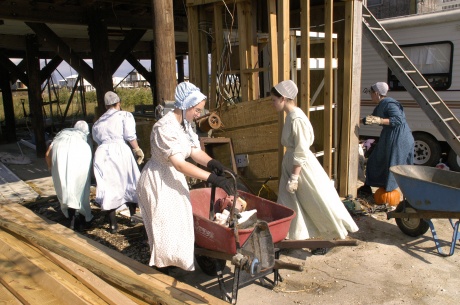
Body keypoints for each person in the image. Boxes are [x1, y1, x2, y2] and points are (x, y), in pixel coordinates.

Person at [137, 82, 235, 272]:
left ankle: (174, 262)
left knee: (180, 221)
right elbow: (180, 163)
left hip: (173, 177)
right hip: (159, 179)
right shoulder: (164, 127)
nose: (199, 114)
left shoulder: (184, 126)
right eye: (197, 110)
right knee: (164, 224)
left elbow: (193, 151)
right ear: (186, 106)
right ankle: (162, 267)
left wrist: (212, 163)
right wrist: (212, 178)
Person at [271, 80, 359, 255]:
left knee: (315, 202)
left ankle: (327, 237)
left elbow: (302, 149)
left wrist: (295, 177)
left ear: (283, 98)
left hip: (301, 169)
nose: (272, 104)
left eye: (273, 100)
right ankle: (289, 239)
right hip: (293, 166)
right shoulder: (291, 116)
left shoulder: (297, 119)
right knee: (290, 204)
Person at [92, 91, 144, 234]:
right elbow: (129, 135)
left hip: (102, 153)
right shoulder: (124, 115)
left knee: (109, 185)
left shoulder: (98, 122)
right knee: (130, 181)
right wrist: (137, 149)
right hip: (120, 150)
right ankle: (133, 217)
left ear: (106, 105)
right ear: (118, 103)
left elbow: (97, 139)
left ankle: (113, 224)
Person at [360, 82, 414, 193]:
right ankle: (369, 186)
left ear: (376, 93)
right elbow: (373, 117)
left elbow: (398, 120)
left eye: (371, 93)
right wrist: (360, 121)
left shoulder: (389, 104)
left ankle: (389, 191)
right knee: (375, 160)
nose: (370, 96)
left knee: (393, 163)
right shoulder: (381, 105)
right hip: (389, 135)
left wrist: (380, 121)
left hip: (399, 137)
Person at [45, 120, 93, 230]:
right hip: (80, 150)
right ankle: (84, 218)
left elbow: (47, 153)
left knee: (65, 187)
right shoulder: (83, 138)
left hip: (60, 148)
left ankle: (71, 219)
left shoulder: (61, 135)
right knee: (81, 187)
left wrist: (50, 167)